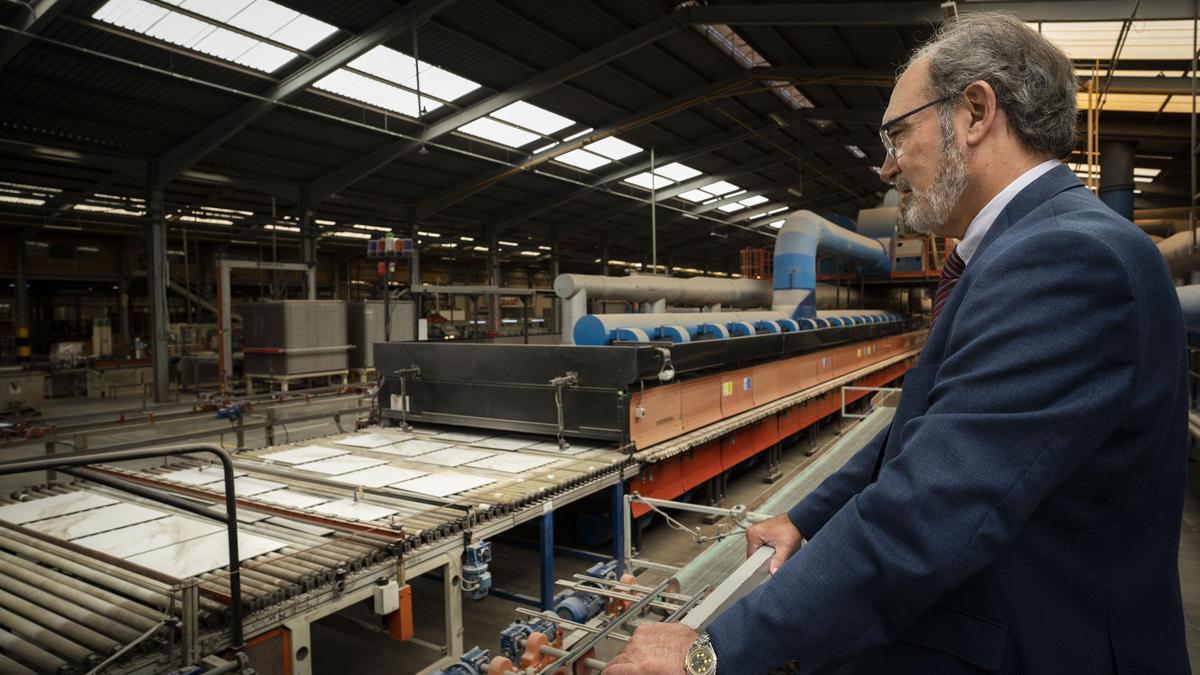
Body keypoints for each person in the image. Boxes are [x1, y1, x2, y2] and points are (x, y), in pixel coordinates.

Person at [603, 12, 1189, 675]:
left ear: (974, 113)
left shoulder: (1067, 257)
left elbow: (932, 505)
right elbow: (935, 424)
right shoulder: (1027, 250)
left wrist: (713, 651)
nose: (885, 167)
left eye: (897, 134)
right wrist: (807, 517)